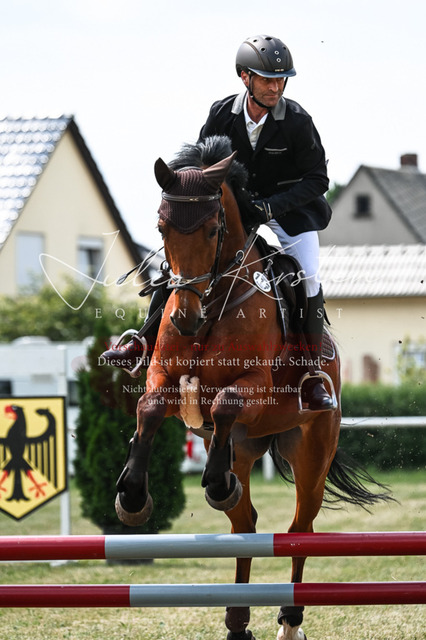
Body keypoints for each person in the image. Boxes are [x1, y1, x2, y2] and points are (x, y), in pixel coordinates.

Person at [102, 34, 334, 411]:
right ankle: (141, 344)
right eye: (267, 80)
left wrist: (270, 207)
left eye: (281, 80)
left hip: (289, 211)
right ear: (245, 77)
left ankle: (311, 374)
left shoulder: (297, 121)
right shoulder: (222, 113)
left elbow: (318, 180)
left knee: (306, 275)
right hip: (233, 209)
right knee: (179, 265)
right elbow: (199, 166)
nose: (276, 88)